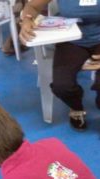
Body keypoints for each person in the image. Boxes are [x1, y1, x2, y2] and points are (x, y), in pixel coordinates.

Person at [19, 0, 100, 131]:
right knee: (62, 85)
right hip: (71, 41)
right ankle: (76, 107)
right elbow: (32, 6)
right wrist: (27, 20)